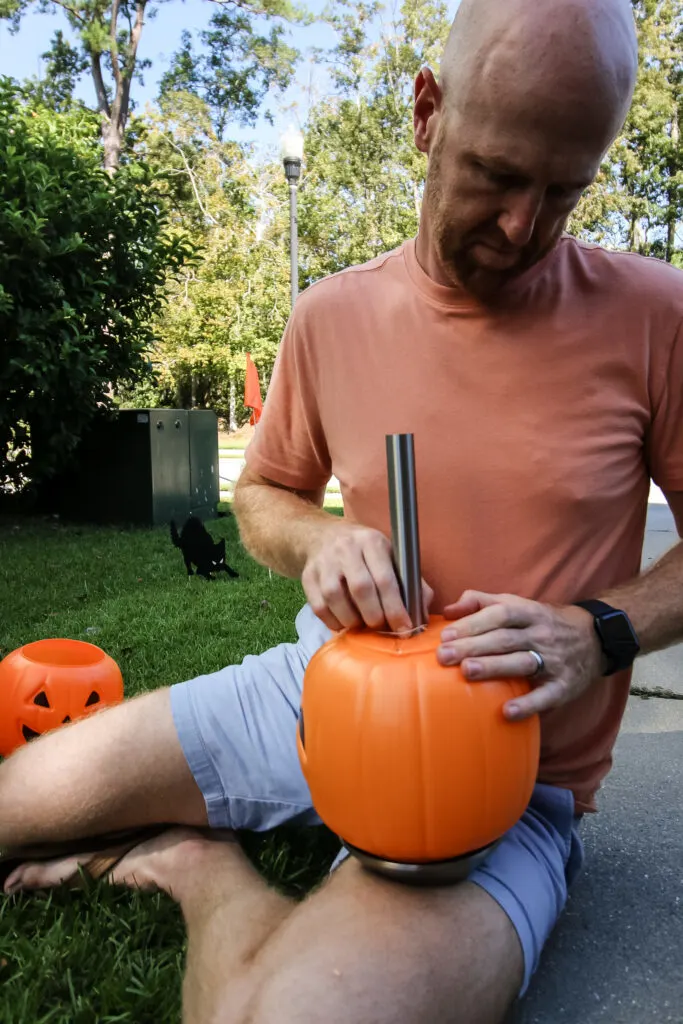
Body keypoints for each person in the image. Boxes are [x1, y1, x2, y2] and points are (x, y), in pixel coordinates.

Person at [2, 0, 683, 1020]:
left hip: (503, 783)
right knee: (14, 802)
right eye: (495, 175)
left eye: (561, 192)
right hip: (314, 693)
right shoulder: (330, 315)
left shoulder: (653, 315)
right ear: (424, 114)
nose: (521, 227)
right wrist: (317, 538)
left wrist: (600, 632)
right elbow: (261, 496)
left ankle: (194, 866)